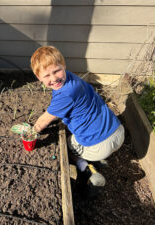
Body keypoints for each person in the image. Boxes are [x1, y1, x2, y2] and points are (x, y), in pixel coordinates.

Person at [30, 46, 125, 197]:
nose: (53, 78)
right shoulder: (72, 78)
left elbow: (43, 122)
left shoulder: (65, 95)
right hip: (118, 130)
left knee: (68, 144)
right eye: (47, 75)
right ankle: (98, 158)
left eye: (56, 71)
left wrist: (31, 131)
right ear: (38, 77)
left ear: (64, 66)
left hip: (100, 144)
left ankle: (89, 170)